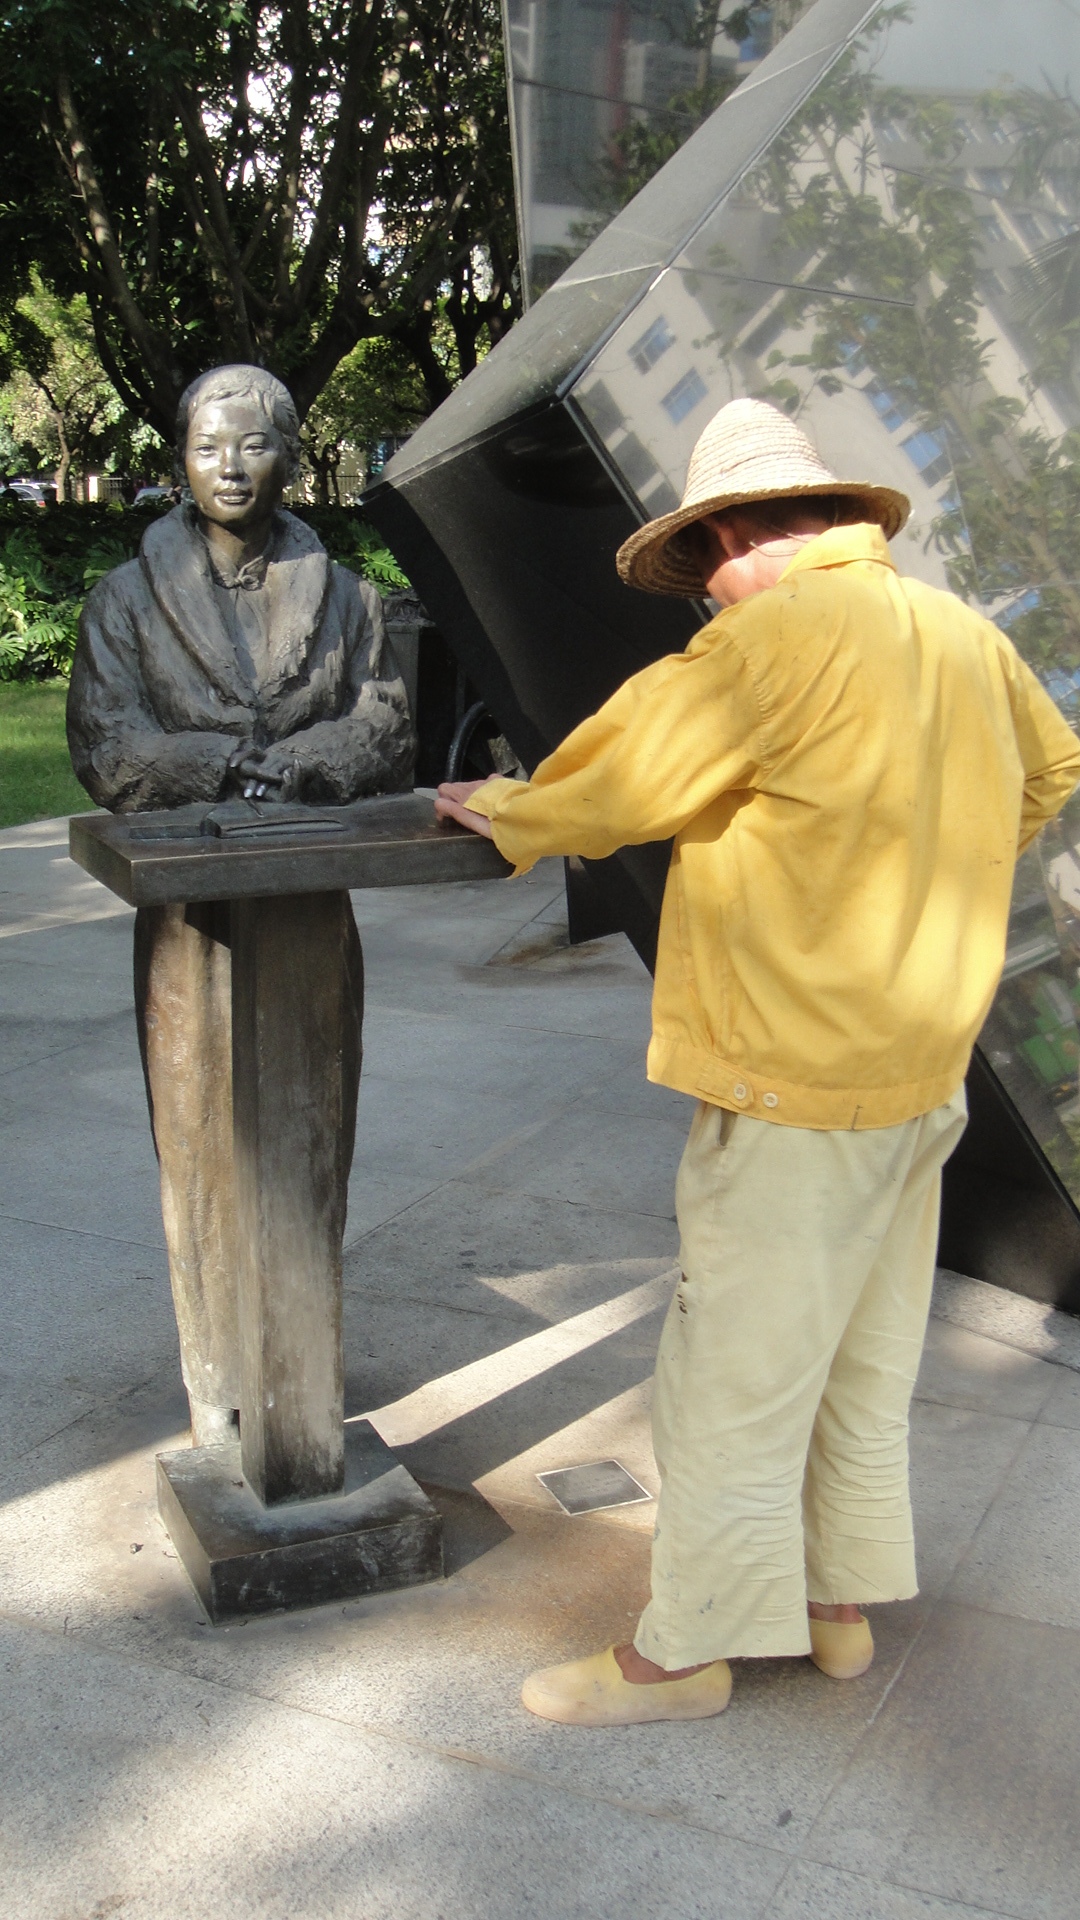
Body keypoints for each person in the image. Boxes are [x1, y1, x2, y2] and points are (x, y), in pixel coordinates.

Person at [436, 396, 1080, 1726]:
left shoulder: (762, 643)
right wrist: (943, 848)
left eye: (702, 570)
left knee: (728, 1378)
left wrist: (502, 810)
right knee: (860, 1355)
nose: (705, 597)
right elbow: (1052, 765)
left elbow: (610, 786)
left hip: (793, 1085)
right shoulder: (960, 634)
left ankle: (686, 1654)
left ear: (730, 538)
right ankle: (839, 1608)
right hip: (920, 1076)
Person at [67, 365, 413, 1445]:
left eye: (254, 445)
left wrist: (304, 763)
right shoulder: (126, 600)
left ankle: (304, 1381)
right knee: (201, 1142)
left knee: (313, 1132)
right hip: (193, 921)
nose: (229, 467)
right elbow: (105, 743)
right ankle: (216, 1380)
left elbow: (387, 724)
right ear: (180, 456)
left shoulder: (347, 596)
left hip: (308, 903)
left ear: (290, 458)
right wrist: (220, 763)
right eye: (208, 446)